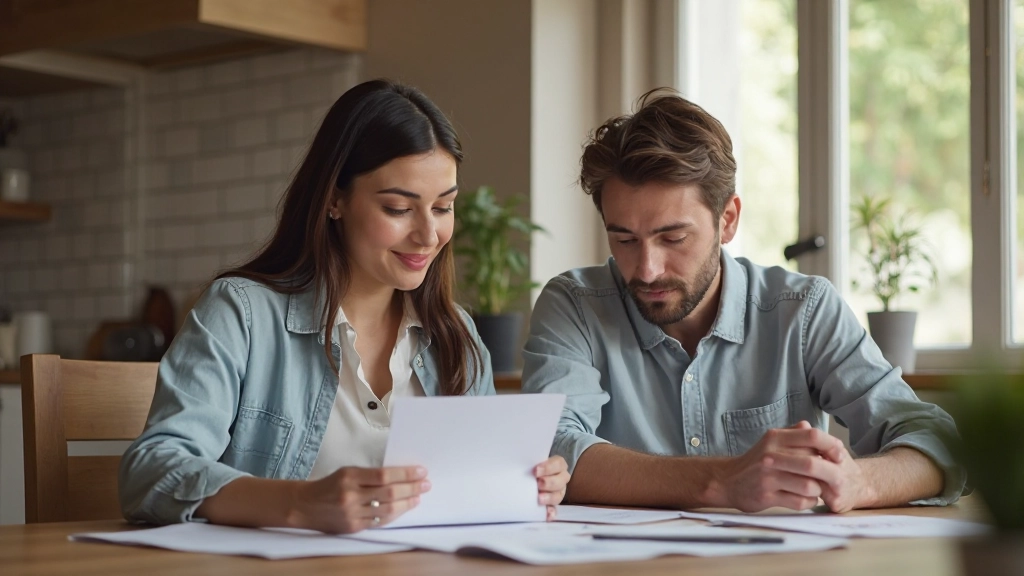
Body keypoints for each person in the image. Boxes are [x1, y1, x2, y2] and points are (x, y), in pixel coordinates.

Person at [119, 80, 569, 534]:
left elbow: (475, 495)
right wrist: (298, 504)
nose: (429, 235)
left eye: (443, 207)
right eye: (398, 208)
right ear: (335, 199)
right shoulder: (242, 314)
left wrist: (525, 483)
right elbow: (151, 471)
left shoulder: (458, 334)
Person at [522, 89, 964, 514]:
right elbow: (551, 449)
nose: (647, 269)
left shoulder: (803, 311)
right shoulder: (575, 306)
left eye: (673, 238)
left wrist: (858, 483)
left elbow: (937, 442)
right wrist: (722, 480)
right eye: (624, 239)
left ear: (728, 220)